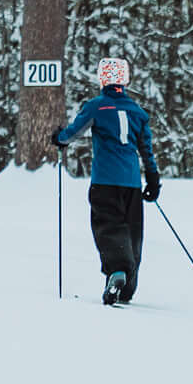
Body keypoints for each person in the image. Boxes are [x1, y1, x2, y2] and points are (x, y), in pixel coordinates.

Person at [56, 60, 161, 307]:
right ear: (125, 80)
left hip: (105, 181)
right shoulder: (137, 112)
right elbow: (146, 149)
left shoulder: (97, 106)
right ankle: (127, 287)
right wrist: (153, 178)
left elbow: (73, 133)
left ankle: (117, 271)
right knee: (132, 231)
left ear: (102, 79)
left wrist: (59, 139)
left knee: (108, 226)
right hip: (132, 183)